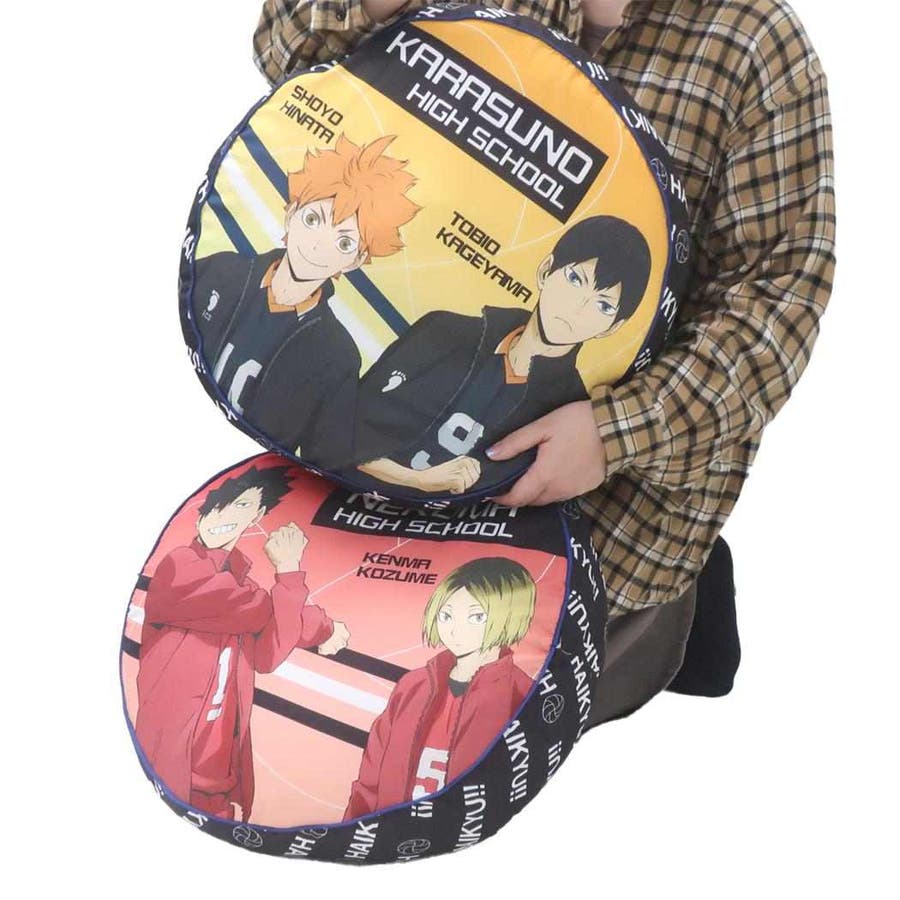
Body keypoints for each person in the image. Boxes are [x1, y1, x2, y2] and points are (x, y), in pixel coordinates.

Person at [253, 0, 835, 694]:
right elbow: (292, 66)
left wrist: (613, 434)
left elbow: (780, 305)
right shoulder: (445, 332)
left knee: (454, 701)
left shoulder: (756, 45)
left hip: (605, 518)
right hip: (396, 459)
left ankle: (674, 626)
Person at [351, 215, 650, 496]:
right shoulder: (443, 329)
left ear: (613, 327)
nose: (578, 308)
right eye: (575, 279)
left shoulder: (566, 414)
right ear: (546, 271)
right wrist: (417, 480)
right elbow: (341, 430)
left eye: (603, 306)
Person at [135, 465, 350, 821]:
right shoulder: (179, 567)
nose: (223, 515)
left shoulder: (242, 585)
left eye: (242, 505)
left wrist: (303, 613)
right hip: (171, 769)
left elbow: (268, 653)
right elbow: (260, 612)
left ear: (258, 515)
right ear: (202, 514)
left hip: (219, 777)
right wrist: (317, 619)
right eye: (217, 506)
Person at [193, 132, 421, 466]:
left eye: (344, 243)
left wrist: (419, 480)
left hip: (236, 471)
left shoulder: (338, 356)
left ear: (356, 260)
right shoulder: (222, 271)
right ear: (291, 212)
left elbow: (329, 458)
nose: (318, 246)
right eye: (313, 220)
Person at [343, 558, 536, 819]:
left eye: (476, 617)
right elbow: (369, 781)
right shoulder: (413, 687)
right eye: (446, 615)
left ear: (510, 617)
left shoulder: (523, 695)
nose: (455, 629)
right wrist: (353, 829)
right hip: (386, 833)